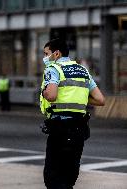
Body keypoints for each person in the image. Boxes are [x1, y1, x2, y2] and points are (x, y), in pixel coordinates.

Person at [40, 38, 105, 189]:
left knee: (53, 177)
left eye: (46, 53)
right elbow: (100, 99)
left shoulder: (54, 69)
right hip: (79, 130)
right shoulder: (83, 71)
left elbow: (51, 95)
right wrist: (79, 99)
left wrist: (43, 91)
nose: (44, 57)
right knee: (69, 176)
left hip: (60, 129)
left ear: (56, 54)